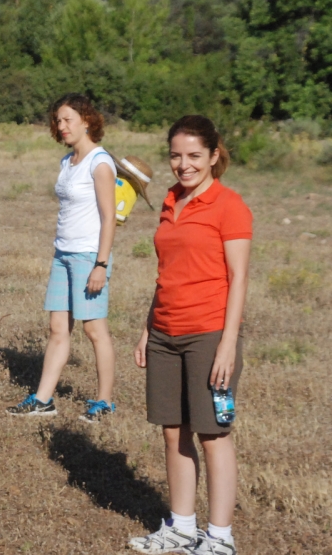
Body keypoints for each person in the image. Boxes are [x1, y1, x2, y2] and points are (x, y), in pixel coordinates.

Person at [129, 116, 251, 555]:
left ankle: (220, 538)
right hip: (164, 332)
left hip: (208, 335)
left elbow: (238, 279)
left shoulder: (229, 205)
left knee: (213, 433)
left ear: (214, 156)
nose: (184, 165)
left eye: (195, 156)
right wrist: (148, 328)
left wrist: (227, 345)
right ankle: (181, 527)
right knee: (171, 430)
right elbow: (167, 274)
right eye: (177, 156)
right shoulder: (169, 200)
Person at [7, 93, 119, 422]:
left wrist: (100, 264)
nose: (62, 125)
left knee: (94, 330)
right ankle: (43, 400)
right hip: (63, 254)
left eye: (68, 119)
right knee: (58, 328)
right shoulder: (67, 162)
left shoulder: (100, 163)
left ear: (87, 121)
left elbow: (109, 217)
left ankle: (105, 401)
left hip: (88, 256)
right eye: (58, 120)